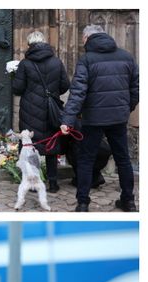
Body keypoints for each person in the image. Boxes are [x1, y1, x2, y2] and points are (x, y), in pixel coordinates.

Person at [61, 25, 139, 212]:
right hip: (118, 118)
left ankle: (83, 203)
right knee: (123, 159)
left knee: (86, 160)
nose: (82, 42)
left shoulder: (87, 59)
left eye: (82, 39)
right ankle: (128, 201)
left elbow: (78, 92)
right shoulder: (126, 57)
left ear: (87, 38)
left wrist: (67, 120)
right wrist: (125, 109)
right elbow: (136, 89)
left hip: (93, 119)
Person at [11, 31, 69, 193]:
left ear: (30, 45)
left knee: (31, 146)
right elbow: (65, 85)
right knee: (51, 144)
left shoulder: (25, 64)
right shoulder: (56, 62)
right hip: (51, 110)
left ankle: (33, 183)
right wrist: (52, 92)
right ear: (44, 43)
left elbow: (18, 88)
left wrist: (14, 76)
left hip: (30, 110)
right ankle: (53, 183)